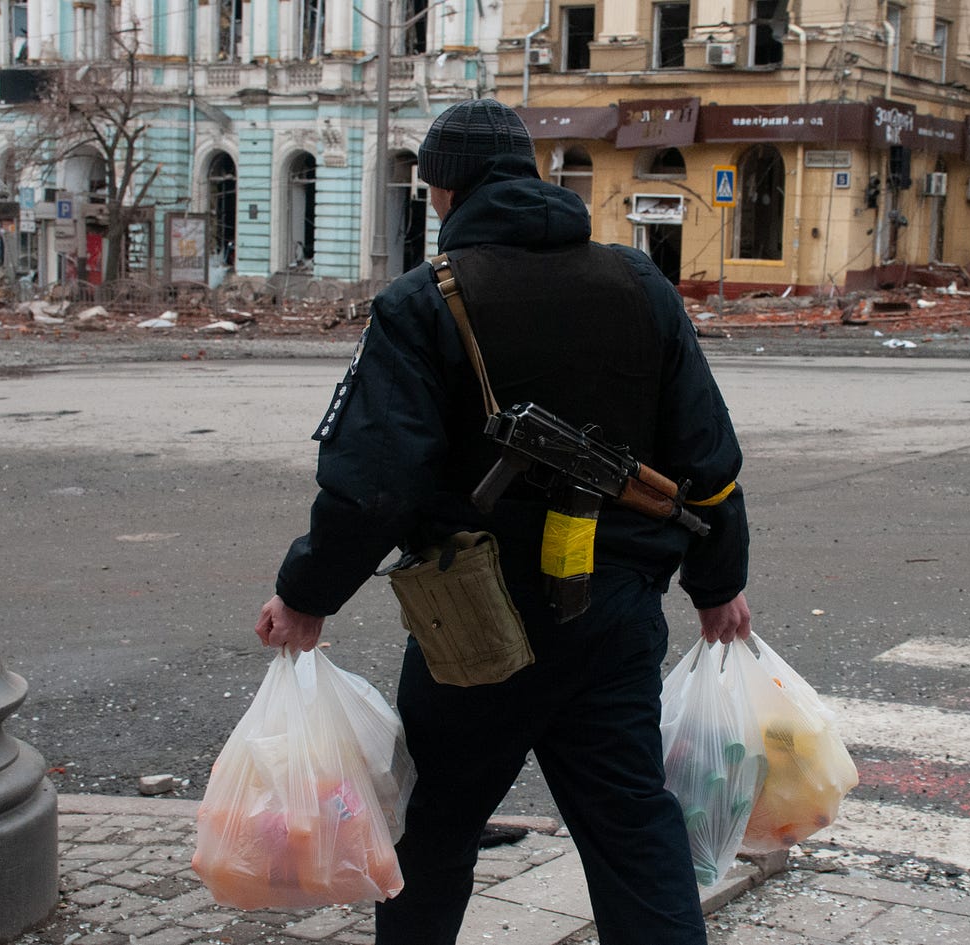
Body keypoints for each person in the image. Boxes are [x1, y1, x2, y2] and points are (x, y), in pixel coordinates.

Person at [255, 99, 751, 945]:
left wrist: (307, 594)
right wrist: (719, 585)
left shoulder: (425, 300)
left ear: (444, 191)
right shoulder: (639, 284)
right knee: (634, 830)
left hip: (473, 626)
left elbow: (374, 484)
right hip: (614, 613)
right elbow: (708, 459)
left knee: (432, 833)